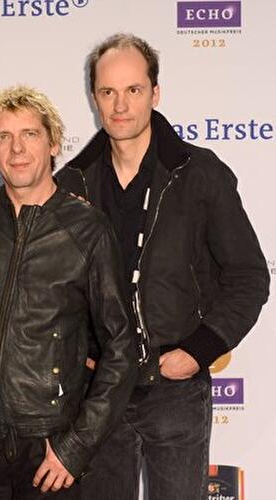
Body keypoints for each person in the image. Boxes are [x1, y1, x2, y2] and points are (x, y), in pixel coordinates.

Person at [55, 33, 270, 499]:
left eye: (133, 90)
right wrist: (77, 354)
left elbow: (249, 277)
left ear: (155, 92)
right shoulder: (71, 183)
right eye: (108, 91)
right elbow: (52, 290)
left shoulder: (200, 173)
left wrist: (198, 350)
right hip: (98, 393)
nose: (120, 105)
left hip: (175, 388)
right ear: (94, 97)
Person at [0, 85, 137, 500]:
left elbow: (121, 348)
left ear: (53, 143)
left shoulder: (88, 229)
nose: (16, 149)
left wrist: (76, 447)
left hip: (50, 452)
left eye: (30, 134)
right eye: (3, 137)